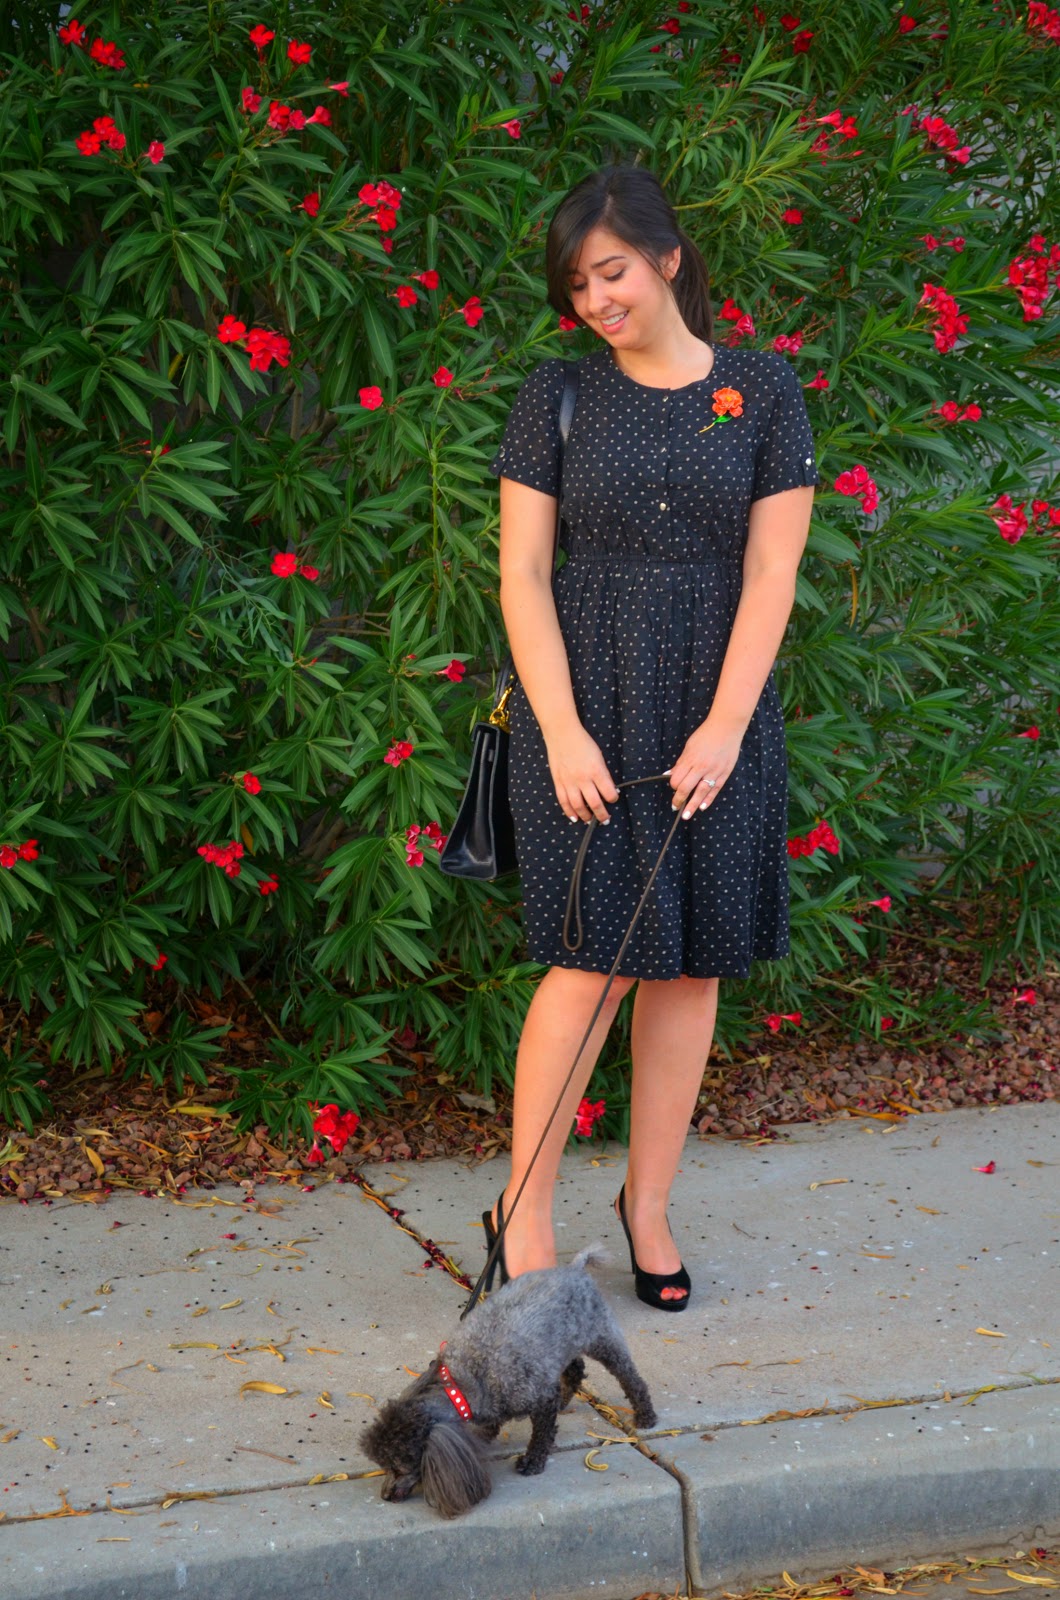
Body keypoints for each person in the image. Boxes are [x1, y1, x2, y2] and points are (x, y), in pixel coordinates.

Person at [482, 164, 819, 1310]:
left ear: (669, 259)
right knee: (589, 962)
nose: (595, 300)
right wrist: (562, 733)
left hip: (717, 711)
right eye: (578, 285)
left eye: (612, 272)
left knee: (689, 966)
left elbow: (772, 572)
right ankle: (523, 1211)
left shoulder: (763, 391)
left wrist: (725, 727)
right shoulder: (557, 395)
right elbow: (523, 574)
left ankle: (649, 1205)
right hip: (587, 705)